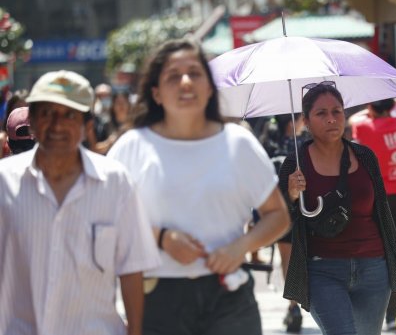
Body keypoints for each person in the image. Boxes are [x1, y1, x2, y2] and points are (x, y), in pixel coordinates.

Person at [107, 38, 291, 335]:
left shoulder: (238, 143)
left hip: (229, 297)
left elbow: (278, 216)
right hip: (157, 299)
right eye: (172, 76)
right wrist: (162, 238)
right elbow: (107, 221)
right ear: (155, 93)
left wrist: (240, 247)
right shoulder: (131, 146)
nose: (185, 82)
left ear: (209, 88)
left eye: (195, 73)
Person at [0, 70, 160, 335]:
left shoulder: (115, 182)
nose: (57, 124)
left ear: (87, 126)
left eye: (70, 115)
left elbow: (132, 269)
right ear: (35, 122)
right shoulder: (5, 182)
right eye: (48, 113)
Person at [278, 81, 396, 335]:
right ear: (306, 121)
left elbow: (383, 215)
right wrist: (291, 194)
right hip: (322, 270)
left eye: (337, 111)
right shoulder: (295, 163)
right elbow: (277, 219)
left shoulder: (364, 157)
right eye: (321, 113)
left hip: (374, 269)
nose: (331, 119)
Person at [350, 97, 396, 330]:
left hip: (376, 196)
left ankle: (387, 309)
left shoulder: (364, 126)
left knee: (381, 253)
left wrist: (369, 111)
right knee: (395, 250)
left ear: (370, 108)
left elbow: (352, 119)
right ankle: (392, 311)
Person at [258, 113, 307, 333]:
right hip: (305, 208)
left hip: (278, 210)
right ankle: (300, 300)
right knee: (304, 255)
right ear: (292, 121)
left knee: (286, 257)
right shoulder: (306, 145)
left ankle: (293, 305)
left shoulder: (267, 143)